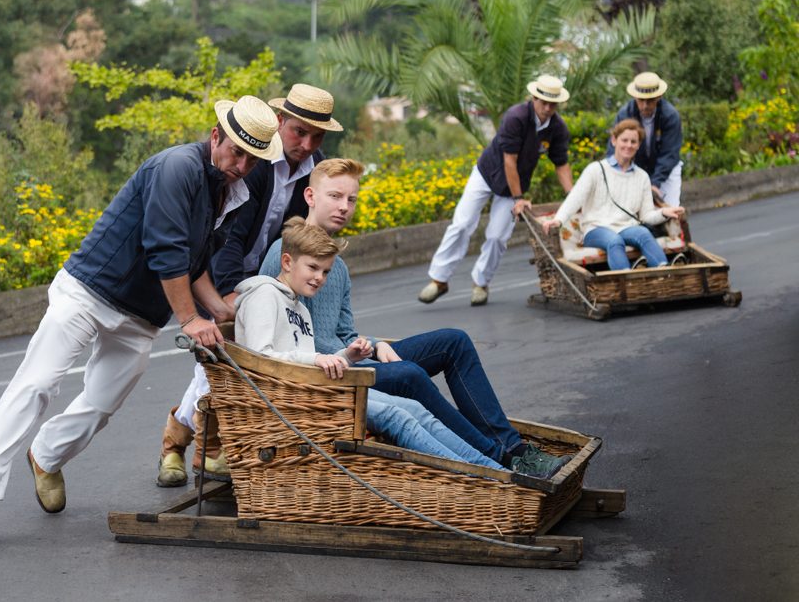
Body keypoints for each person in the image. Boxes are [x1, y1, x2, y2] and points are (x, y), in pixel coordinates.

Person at [0, 95, 283, 534]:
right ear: (215, 136)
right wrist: (189, 320)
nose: (242, 165)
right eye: (236, 153)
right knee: (38, 382)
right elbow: (166, 250)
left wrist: (220, 308)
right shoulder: (177, 167)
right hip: (89, 291)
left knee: (102, 403)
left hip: (140, 315)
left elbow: (196, 261)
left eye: (253, 159)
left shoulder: (231, 189)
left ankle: (45, 455)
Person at [260, 159, 571, 477]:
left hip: (352, 359)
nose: (344, 206)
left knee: (454, 342)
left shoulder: (337, 266)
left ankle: (513, 447)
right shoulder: (284, 254)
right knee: (408, 374)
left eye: (351, 199)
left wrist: (376, 345)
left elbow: (345, 331)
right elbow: (277, 341)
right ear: (310, 196)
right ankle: (501, 458)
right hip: (328, 374)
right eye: (335, 196)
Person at [157, 84, 343, 487]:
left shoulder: (315, 165)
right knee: (217, 360)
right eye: (299, 132)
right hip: (222, 272)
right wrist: (227, 295)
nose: (306, 145)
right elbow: (229, 236)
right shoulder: (254, 161)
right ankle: (191, 446)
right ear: (279, 122)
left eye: (317, 137)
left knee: (237, 364)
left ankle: (192, 442)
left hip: (268, 277)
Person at [235, 218, 508, 469]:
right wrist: (317, 358)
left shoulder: (300, 308)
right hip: (295, 402)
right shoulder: (264, 296)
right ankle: (488, 476)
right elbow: (260, 360)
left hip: (318, 390)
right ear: (286, 262)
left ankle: (493, 467)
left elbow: (308, 362)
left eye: (325, 271)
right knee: (398, 416)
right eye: (313, 268)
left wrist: (348, 355)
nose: (320, 277)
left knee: (414, 409)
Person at [418, 74, 573, 306]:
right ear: (534, 98)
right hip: (486, 174)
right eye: (544, 102)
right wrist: (519, 198)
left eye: (553, 104)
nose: (548, 108)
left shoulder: (557, 128)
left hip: (513, 186)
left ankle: (481, 283)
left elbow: (561, 163)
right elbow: (510, 160)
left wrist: (573, 197)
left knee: (497, 237)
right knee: (462, 224)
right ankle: (439, 280)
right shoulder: (516, 117)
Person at [543, 119, 685, 270]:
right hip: (595, 229)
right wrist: (558, 220)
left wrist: (664, 212)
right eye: (624, 140)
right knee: (614, 240)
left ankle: (665, 271)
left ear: (638, 145)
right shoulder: (595, 170)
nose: (628, 145)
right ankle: (626, 278)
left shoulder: (642, 176)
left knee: (644, 233)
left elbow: (646, 216)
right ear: (614, 140)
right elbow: (575, 198)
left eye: (633, 142)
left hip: (626, 228)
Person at [606, 72, 684, 206]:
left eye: (650, 100)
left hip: (666, 168)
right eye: (641, 100)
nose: (645, 106)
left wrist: (655, 183)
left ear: (659, 97)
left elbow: (669, 153)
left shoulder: (670, 116)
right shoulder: (625, 114)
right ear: (635, 97)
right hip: (636, 167)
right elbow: (615, 149)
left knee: (669, 209)